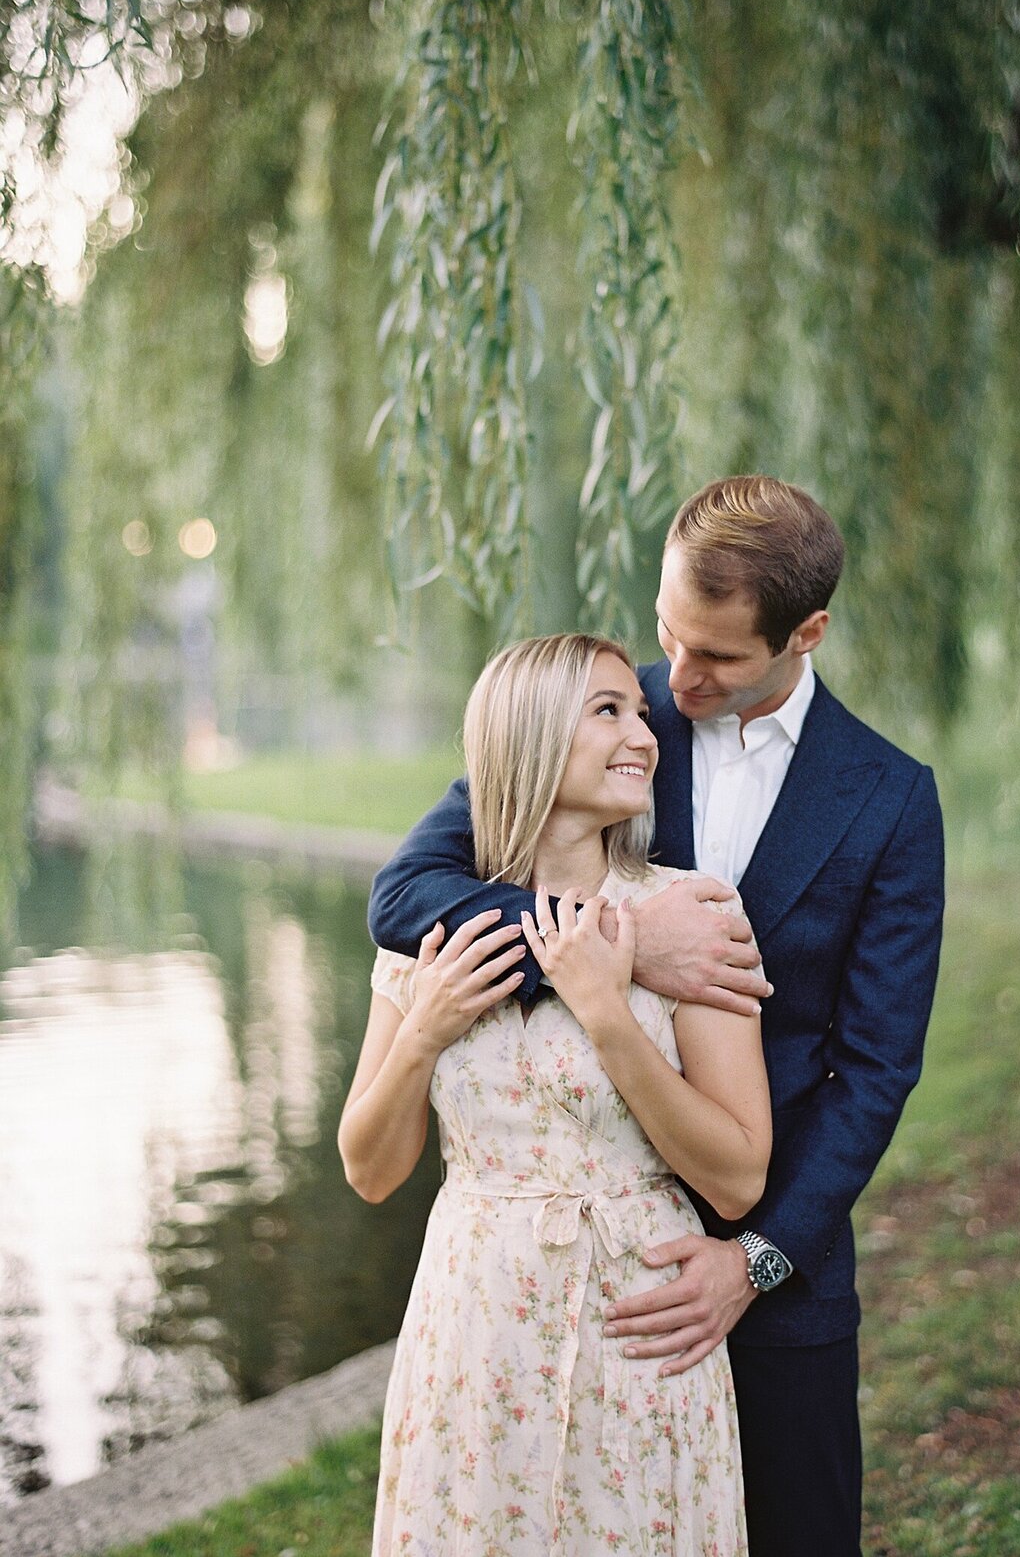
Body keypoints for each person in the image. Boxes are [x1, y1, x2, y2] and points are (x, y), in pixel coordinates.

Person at [370, 476, 945, 1556]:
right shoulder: (604, 719)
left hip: (770, 1260)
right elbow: (406, 892)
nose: (677, 680)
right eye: (669, 636)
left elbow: (875, 1069)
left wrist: (758, 1258)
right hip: (557, 1272)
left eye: (718, 658)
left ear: (804, 633)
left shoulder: (889, 799)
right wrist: (614, 940)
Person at [341, 633, 772, 1555]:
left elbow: (738, 1178)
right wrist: (424, 1029)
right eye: (607, 711)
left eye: (641, 714)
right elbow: (369, 1168)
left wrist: (610, 1017)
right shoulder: (435, 928)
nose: (644, 736)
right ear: (530, 737)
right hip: (476, 1331)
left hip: (641, 1329)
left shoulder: (692, 915)